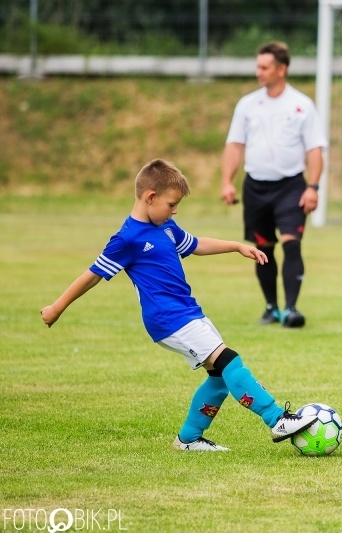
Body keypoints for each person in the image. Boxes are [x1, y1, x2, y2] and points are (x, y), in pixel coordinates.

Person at [40, 159, 318, 451]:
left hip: (188, 312)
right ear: (150, 197)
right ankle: (277, 419)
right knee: (229, 361)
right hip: (167, 318)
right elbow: (92, 275)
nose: (174, 211)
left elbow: (196, 244)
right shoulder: (127, 238)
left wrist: (236, 246)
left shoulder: (166, 227)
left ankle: (188, 439)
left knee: (220, 377)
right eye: (171, 204)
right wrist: (57, 307)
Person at [221, 40, 327, 328]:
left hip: (291, 187)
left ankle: (291, 310)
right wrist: (227, 182)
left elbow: (315, 149)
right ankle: (271, 308)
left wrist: (313, 187)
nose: (259, 72)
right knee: (262, 249)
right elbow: (234, 145)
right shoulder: (247, 105)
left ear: (282, 69)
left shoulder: (302, 105)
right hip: (256, 188)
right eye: (258, 66)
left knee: (292, 245)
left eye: (265, 67)